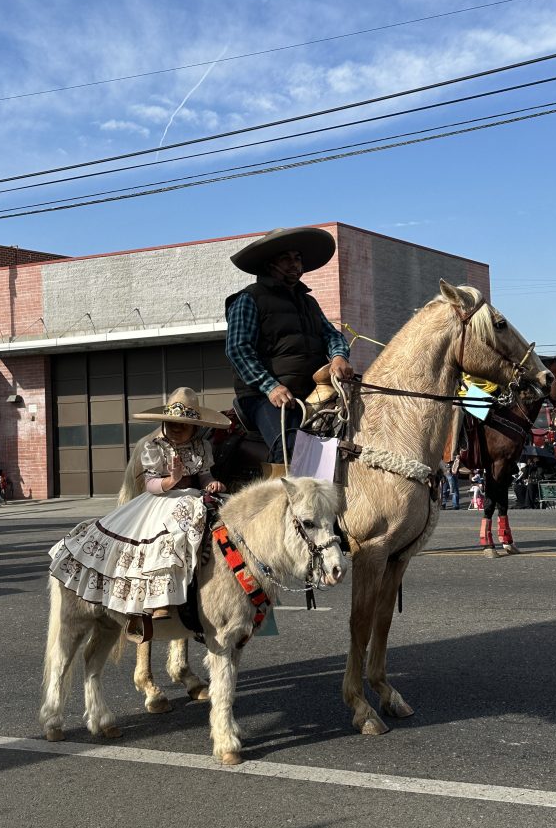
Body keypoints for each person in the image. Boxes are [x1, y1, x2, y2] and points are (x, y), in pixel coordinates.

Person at [48, 387, 230, 642]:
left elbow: (205, 476)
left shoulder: (201, 447)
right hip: (162, 500)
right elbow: (151, 485)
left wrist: (213, 484)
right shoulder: (154, 447)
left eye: (184, 425)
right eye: (172, 423)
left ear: (195, 428)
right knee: (164, 540)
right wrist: (171, 480)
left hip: (193, 499)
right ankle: (156, 600)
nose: (177, 429)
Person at [224, 226, 353, 462]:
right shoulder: (248, 299)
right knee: (291, 449)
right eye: (286, 258)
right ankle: (285, 498)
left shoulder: (309, 303)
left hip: (313, 392)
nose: (294, 264)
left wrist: (338, 356)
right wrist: (270, 386)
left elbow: (331, 335)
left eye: (297, 258)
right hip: (264, 397)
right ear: (269, 264)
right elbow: (238, 350)